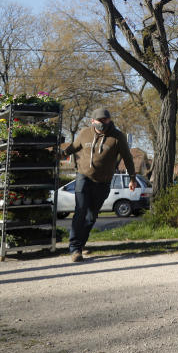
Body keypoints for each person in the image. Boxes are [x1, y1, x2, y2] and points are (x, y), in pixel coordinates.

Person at [59, 107, 136, 262]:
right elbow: (73, 148)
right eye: (100, 120)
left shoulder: (117, 136)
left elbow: (127, 158)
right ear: (92, 121)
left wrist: (132, 178)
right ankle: (74, 248)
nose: (103, 123)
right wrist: (62, 154)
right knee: (80, 210)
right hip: (83, 177)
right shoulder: (85, 133)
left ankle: (80, 245)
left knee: (91, 216)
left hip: (103, 182)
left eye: (105, 120)